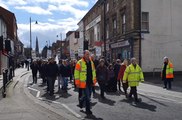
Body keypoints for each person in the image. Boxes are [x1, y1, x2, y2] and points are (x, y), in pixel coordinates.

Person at [74, 50, 97, 115]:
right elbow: (76, 73)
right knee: (88, 97)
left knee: (88, 95)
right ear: (84, 55)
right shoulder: (79, 62)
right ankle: (88, 110)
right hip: (84, 83)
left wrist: (94, 80)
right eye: (87, 54)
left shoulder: (91, 62)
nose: (88, 55)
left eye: (88, 54)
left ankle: (81, 100)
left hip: (90, 82)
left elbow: (93, 71)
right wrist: (77, 83)